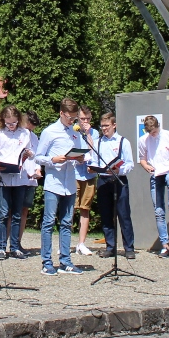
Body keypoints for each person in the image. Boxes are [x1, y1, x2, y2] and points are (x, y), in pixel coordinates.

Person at [34, 97, 86, 275]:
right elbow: (38, 157)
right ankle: (47, 262)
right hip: (53, 183)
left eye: (74, 118)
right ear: (61, 113)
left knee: (67, 222)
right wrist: (53, 159)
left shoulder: (75, 132)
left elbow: (78, 154)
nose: (72, 121)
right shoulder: (50, 132)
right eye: (69, 117)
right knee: (49, 222)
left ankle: (65, 261)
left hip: (69, 182)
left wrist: (80, 158)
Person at [0, 105, 34, 260]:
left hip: (20, 178)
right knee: (3, 213)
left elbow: (31, 152)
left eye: (14, 122)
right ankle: (1, 247)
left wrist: (29, 154)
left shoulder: (25, 133)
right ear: (3, 120)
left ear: (18, 120)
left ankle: (15, 247)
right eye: (8, 123)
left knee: (17, 214)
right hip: (4, 179)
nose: (11, 126)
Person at [137, 115, 169, 258]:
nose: (153, 135)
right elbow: (142, 158)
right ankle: (165, 245)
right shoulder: (143, 140)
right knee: (158, 211)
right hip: (156, 173)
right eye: (150, 133)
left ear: (158, 126)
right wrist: (146, 166)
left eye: (155, 132)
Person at [92, 112, 135, 259]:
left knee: (124, 214)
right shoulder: (98, 142)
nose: (104, 129)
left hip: (119, 179)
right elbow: (94, 161)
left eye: (107, 126)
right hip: (103, 180)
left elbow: (130, 164)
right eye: (102, 126)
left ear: (114, 125)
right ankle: (110, 246)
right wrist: (93, 167)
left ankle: (129, 247)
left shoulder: (123, 141)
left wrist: (119, 170)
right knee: (106, 215)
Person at [74, 106, 100, 256]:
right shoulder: (73, 130)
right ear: (77, 118)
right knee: (70, 208)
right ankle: (65, 243)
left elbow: (94, 151)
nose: (85, 121)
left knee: (85, 208)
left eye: (88, 119)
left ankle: (81, 243)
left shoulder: (94, 133)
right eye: (82, 118)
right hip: (75, 173)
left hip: (89, 174)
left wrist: (88, 133)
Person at [17, 110, 42, 254]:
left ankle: (18, 242)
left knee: (24, 210)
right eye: (29, 127)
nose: (30, 131)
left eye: (32, 129)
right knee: (13, 211)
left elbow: (37, 156)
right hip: (19, 177)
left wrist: (38, 170)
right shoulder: (18, 134)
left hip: (31, 179)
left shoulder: (35, 137)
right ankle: (6, 243)